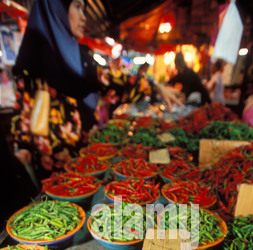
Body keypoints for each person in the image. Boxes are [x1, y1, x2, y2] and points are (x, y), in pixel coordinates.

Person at [11, 0, 182, 184]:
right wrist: (22, 146)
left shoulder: (74, 55)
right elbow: (23, 108)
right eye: (77, 6)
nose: (84, 16)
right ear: (57, 11)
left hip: (83, 159)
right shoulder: (38, 56)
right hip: (51, 165)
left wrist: (152, 85)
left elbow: (110, 81)